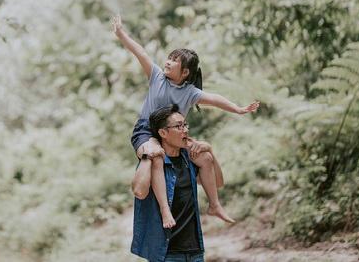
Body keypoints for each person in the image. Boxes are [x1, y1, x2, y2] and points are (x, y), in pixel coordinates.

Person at [110, 14, 259, 226]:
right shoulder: (157, 76)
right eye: (169, 57)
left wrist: (238, 109)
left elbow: (215, 99)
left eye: (174, 61)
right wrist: (120, 33)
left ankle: (215, 205)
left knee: (205, 158)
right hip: (147, 131)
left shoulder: (190, 92)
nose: (168, 61)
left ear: (185, 72)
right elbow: (140, 52)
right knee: (157, 156)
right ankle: (164, 211)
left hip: (174, 134)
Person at [131, 104, 213, 262]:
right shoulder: (153, 162)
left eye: (185, 124)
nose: (185, 130)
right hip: (166, 253)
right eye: (178, 126)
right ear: (163, 133)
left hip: (195, 250)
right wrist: (148, 155)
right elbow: (139, 191)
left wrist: (210, 150)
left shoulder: (189, 160)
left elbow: (218, 183)